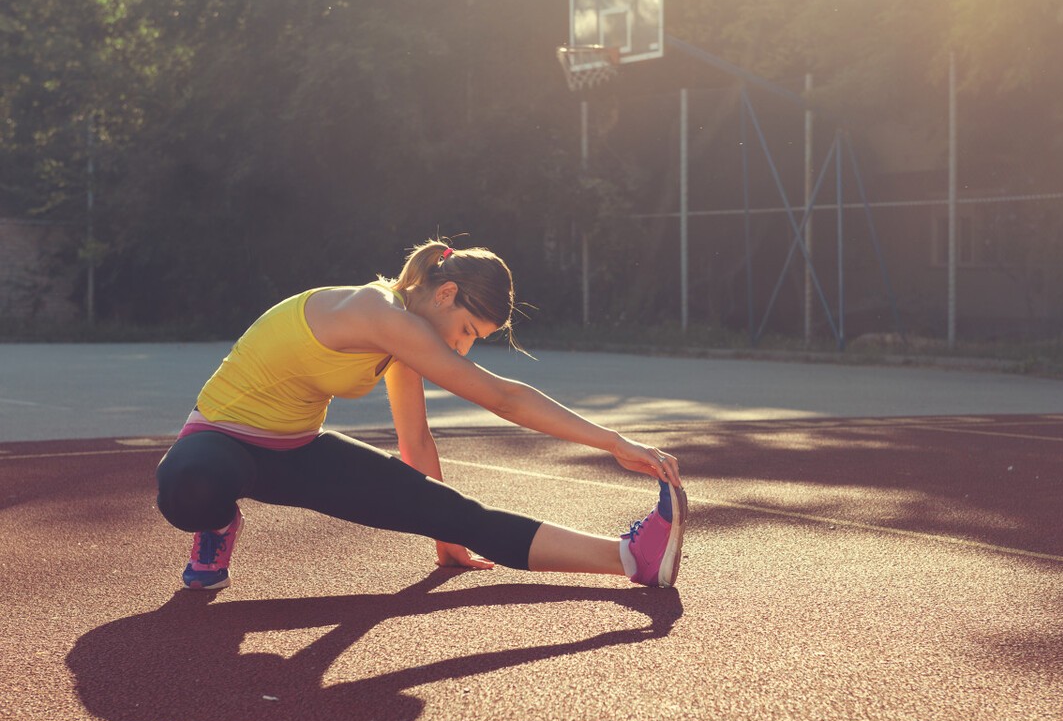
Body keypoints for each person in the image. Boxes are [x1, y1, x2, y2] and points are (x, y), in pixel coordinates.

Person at [155, 238, 687, 592]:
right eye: (466, 334)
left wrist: (444, 533)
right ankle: (217, 524)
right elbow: (502, 399)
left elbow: (416, 440)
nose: (461, 352)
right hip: (221, 437)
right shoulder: (376, 311)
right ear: (446, 293)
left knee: (465, 516)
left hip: (297, 451)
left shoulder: (402, 338)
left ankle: (630, 558)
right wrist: (615, 443)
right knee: (192, 486)